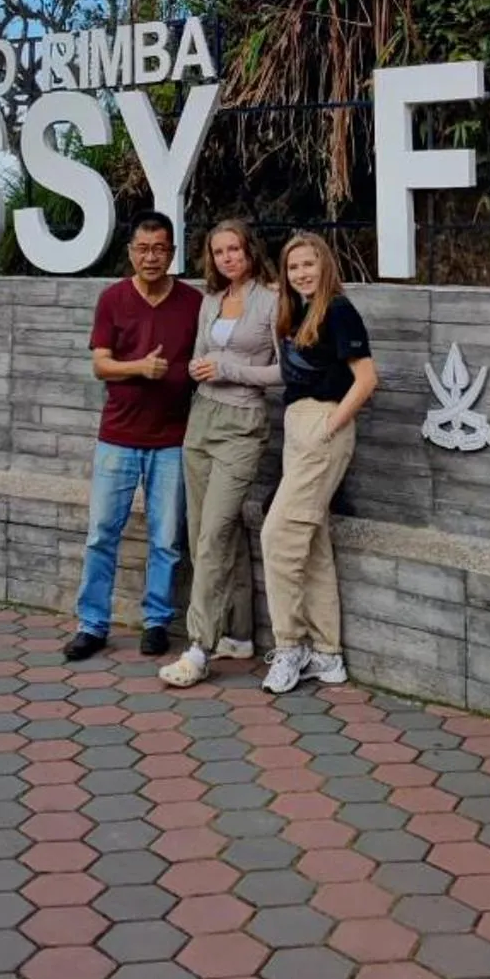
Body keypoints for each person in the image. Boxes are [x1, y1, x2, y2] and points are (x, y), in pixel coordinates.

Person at [64, 210, 201, 662]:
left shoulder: (192, 303)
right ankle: (92, 625)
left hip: (173, 440)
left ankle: (157, 622)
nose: (151, 257)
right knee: (102, 533)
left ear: (172, 253)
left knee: (166, 539)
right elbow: (100, 363)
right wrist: (140, 367)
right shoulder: (112, 299)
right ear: (130, 253)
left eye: (159, 248)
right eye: (143, 249)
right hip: (118, 437)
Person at [160, 219, 280, 690]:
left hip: (243, 426)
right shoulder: (211, 299)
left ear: (250, 250)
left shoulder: (272, 300)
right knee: (205, 536)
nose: (228, 257)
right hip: (201, 420)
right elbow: (198, 356)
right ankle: (239, 633)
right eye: (219, 251)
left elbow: (283, 372)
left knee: (213, 535)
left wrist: (229, 367)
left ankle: (197, 649)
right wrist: (196, 367)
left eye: (235, 249)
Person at [260, 232, 379, 695]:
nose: (301, 273)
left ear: (325, 264)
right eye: (293, 267)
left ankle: (291, 645)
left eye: (309, 264)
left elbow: (367, 379)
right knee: (310, 544)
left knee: (279, 535)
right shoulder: (302, 308)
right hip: (300, 426)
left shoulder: (339, 310)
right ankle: (328, 656)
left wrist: (330, 425)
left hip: (320, 426)